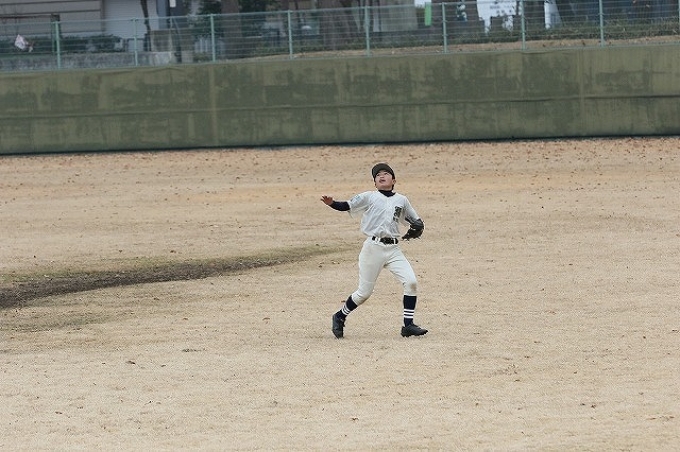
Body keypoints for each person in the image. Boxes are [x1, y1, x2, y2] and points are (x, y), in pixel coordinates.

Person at [321, 163, 427, 338]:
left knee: (411, 282)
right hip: (373, 248)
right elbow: (347, 205)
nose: (381, 176)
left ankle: (408, 325)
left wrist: (418, 226)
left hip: (393, 249)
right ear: (375, 183)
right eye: (377, 175)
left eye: (385, 173)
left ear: (394, 180)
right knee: (364, 293)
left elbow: (415, 220)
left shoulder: (402, 200)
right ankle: (339, 316)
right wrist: (332, 203)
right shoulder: (369, 197)